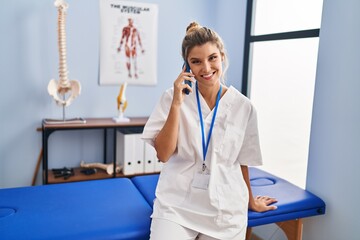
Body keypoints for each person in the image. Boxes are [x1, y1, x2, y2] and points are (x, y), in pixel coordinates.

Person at [142, 22, 277, 240]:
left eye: (212, 58)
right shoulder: (172, 97)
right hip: (178, 204)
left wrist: (251, 202)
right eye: (196, 62)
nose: (206, 68)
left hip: (224, 208)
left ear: (222, 56)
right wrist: (177, 103)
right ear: (186, 66)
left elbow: (242, 162)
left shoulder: (244, 107)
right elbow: (163, 154)